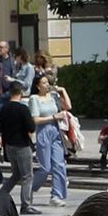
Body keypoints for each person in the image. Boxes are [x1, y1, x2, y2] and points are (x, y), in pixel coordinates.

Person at [0, 81, 39, 215]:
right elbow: (31, 127)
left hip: (9, 145)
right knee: (27, 176)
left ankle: (0, 195)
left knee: (16, 175)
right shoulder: (22, 109)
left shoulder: (3, 108)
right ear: (20, 93)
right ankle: (26, 205)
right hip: (22, 145)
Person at [28, 72, 70, 208]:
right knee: (45, 167)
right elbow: (35, 119)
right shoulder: (34, 99)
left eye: (48, 82)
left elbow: (67, 107)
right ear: (38, 86)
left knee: (59, 164)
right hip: (43, 131)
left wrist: (63, 91)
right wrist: (54, 117)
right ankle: (30, 189)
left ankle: (56, 195)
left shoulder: (52, 97)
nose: (47, 85)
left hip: (55, 130)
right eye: (44, 83)